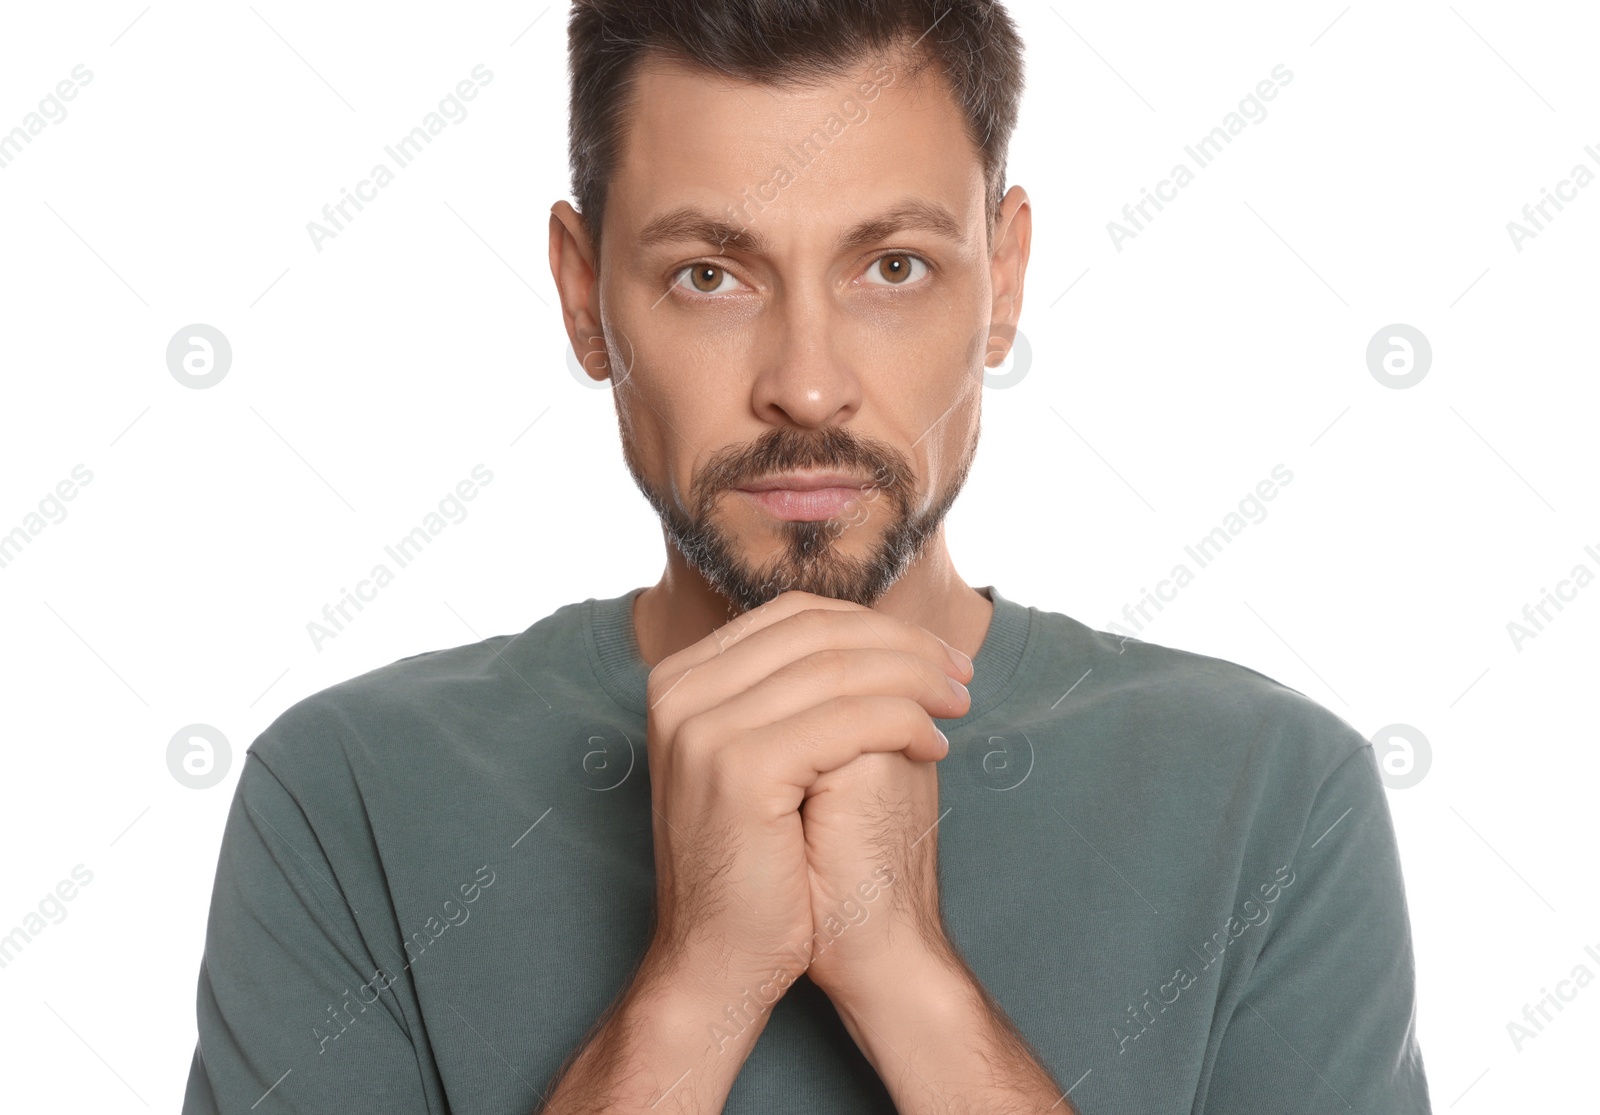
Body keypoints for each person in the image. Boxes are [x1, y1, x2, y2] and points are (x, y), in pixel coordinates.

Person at [182, 2, 1432, 1111]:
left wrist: (909, 979)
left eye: (892, 267)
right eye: (710, 274)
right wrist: (696, 981)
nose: (808, 385)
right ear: (583, 297)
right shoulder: (348, 793)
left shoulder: (1269, 792)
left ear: (1000, 282)